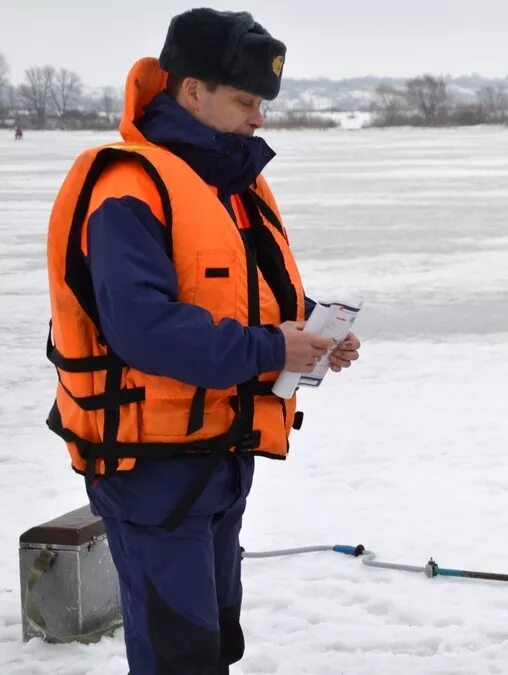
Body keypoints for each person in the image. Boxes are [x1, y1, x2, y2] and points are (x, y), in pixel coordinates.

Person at [44, 8, 360, 672]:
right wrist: (274, 349)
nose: (259, 118)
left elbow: (248, 295)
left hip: (221, 456)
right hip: (151, 469)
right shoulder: (126, 187)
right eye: (246, 100)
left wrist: (312, 328)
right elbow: (144, 329)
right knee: (178, 653)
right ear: (194, 91)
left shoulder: (232, 186)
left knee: (214, 641)